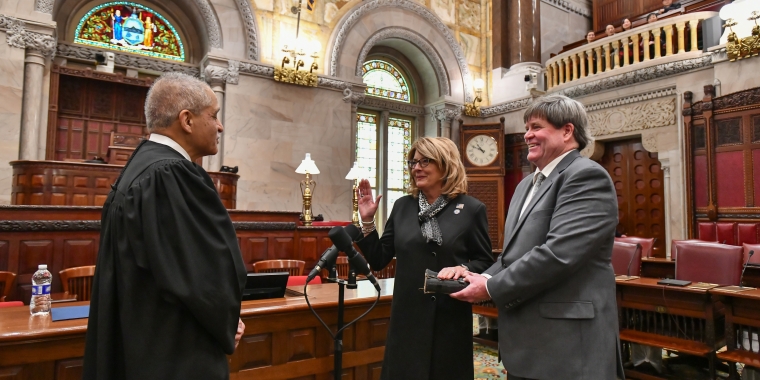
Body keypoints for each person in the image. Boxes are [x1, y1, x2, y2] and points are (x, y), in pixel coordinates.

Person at [83, 72, 247, 380]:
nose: (220, 126)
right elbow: (204, 273)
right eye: (214, 116)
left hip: (140, 346)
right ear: (187, 120)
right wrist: (226, 321)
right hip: (177, 354)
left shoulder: (139, 169)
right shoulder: (172, 175)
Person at [450, 95, 625, 380]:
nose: (527, 135)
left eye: (536, 127)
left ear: (567, 131)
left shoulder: (586, 176)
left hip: (568, 346)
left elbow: (559, 254)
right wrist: (475, 276)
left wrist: (491, 287)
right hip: (528, 343)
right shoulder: (524, 186)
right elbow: (510, 257)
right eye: (526, 127)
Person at [355, 136, 494, 380]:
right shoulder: (402, 206)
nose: (416, 167)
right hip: (407, 316)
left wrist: (463, 268)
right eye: (413, 162)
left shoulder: (471, 209)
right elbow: (378, 259)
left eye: (425, 161)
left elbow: (485, 261)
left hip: (449, 315)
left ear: (446, 164)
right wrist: (367, 221)